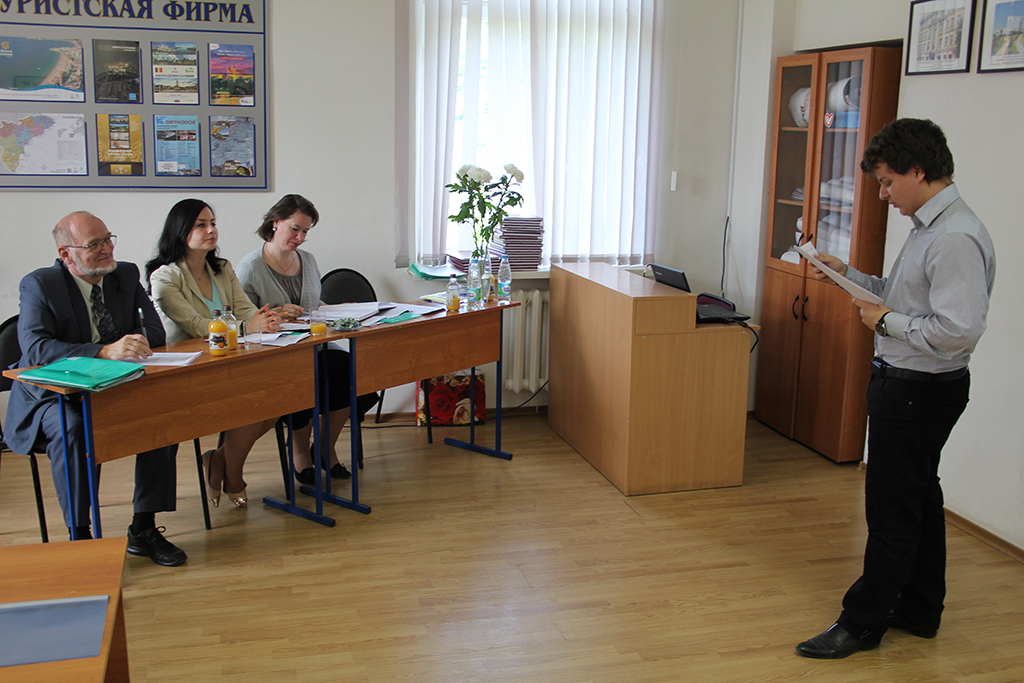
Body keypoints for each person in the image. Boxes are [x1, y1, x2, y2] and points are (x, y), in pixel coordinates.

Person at [796, 119, 996, 659]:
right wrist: (849, 274)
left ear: (918, 170)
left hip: (917, 392)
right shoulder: (931, 226)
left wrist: (885, 323)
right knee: (919, 501)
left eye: (887, 182)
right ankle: (920, 610)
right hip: (911, 387)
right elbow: (906, 299)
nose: (883, 195)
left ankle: (862, 624)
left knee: (891, 513)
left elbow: (957, 331)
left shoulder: (953, 236)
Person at [4, 211, 186, 566]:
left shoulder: (125, 274)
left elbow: (155, 332)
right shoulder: (40, 285)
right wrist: (103, 350)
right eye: (94, 244)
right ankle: (80, 534)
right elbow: (37, 349)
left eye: (108, 239)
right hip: (52, 396)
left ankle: (143, 528)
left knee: (162, 414)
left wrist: (132, 344)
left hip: (112, 387)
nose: (107, 249)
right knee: (75, 428)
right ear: (66, 254)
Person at [147, 198, 282, 509]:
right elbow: (195, 326)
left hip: (231, 361)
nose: (211, 230)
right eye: (201, 225)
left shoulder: (222, 269)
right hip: (191, 369)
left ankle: (220, 460)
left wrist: (265, 319)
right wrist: (248, 326)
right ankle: (232, 474)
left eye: (213, 223)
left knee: (277, 395)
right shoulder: (165, 276)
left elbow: (246, 310)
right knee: (252, 401)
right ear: (180, 231)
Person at [235, 194, 378, 484]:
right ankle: (300, 451)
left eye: (305, 231)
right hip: (275, 355)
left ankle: (324, 447)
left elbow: (313, 305)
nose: (300, 238)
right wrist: (278, 314)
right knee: (305, 379)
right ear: (275, 223)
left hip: (314, 345)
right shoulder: (251, 267)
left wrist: (341, 311)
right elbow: (244, 321)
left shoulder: (308, 261)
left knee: (352, 372)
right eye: (295, 229)